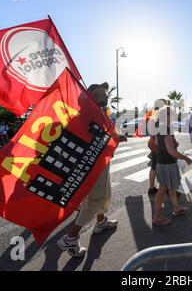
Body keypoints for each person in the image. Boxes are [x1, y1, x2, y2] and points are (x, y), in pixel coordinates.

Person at [57, 82, 127, 257]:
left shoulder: (100, 114)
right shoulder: (87, 116)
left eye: (105, 93)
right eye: (98, 94)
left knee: (105, 192)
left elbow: (107, 136)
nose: (104, 96)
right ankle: (70, 238)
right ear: (89, 98)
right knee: (95, 200)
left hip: (100, 162)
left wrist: (117, 137)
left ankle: (101, 221)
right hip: (92, 165)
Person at [152, 106, 192, 226]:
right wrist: (186, 158)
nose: (173, 116)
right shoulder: (166, 129)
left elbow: (156, 143)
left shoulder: (160, 127)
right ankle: (157, 217)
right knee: (163, 189)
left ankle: (176, 208)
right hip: (167, 163)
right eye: (171, 114)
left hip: (163, 162)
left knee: (172, 187)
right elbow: (172, 151)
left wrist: (173, 143)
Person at [147, 99, 168, 195]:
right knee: (164, 166)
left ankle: (151, 188)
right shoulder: (160, 117)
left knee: (154, 166)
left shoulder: (152, 116)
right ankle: (166, 189)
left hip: (152, 143)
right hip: (159, 145)